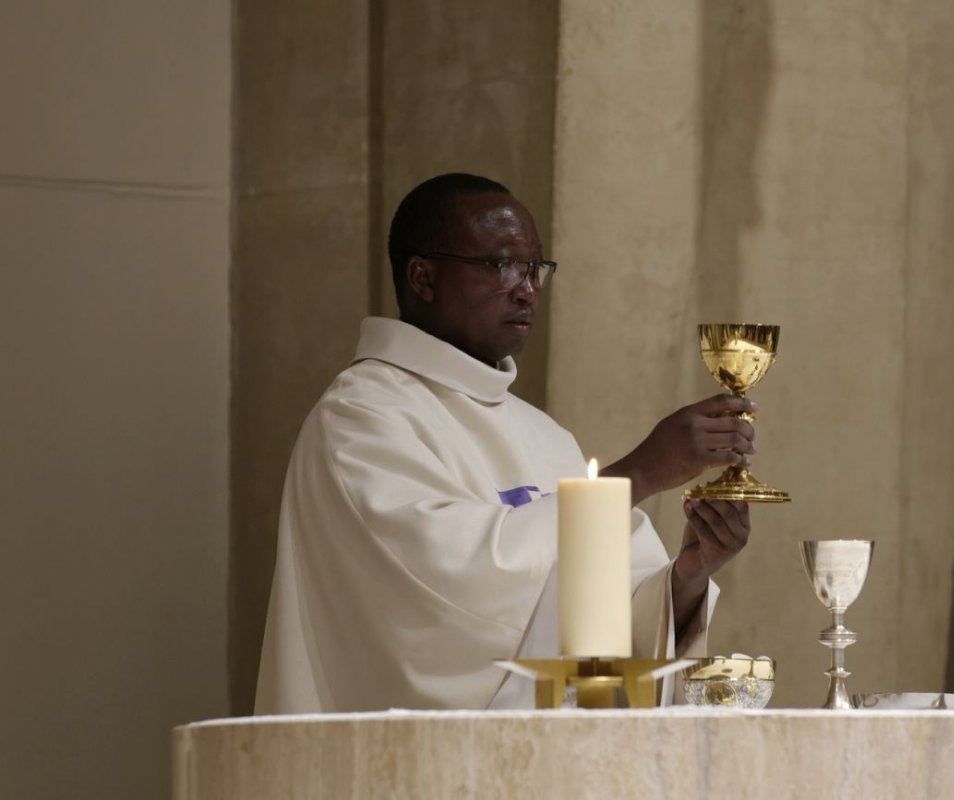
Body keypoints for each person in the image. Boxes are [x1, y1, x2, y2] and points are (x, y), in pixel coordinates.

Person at [255, 173, 755, 712]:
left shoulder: (542, 434)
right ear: (423, 277)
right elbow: (449, 591)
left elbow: (610, 629)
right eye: (502, 265)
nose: (527, 288)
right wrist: (639, 474)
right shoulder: (361, 416)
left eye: (536, 267)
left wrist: (686, 577)